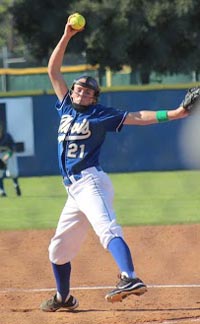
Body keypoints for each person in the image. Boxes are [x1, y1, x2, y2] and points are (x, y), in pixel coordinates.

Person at [40, 17, 189, 312]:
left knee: (107, 229)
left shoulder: (100, 114)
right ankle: (63, 298)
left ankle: (129, 276)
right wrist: (67, 34)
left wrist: (175, 113)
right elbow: (52, 70)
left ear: (95, 97)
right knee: (57, 251)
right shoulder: (66, 107)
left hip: (91, 182)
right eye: (78, 88)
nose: (81, 91)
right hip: (73, 192)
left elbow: (138, 116)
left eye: (88, 90)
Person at [0, 121, 21, 197]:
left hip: (9, 154)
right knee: (0, 173)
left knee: (12, 172)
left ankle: (16, 185)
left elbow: (13, 148)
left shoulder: (7, 137)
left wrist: (7, 156)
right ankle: (2, 190)